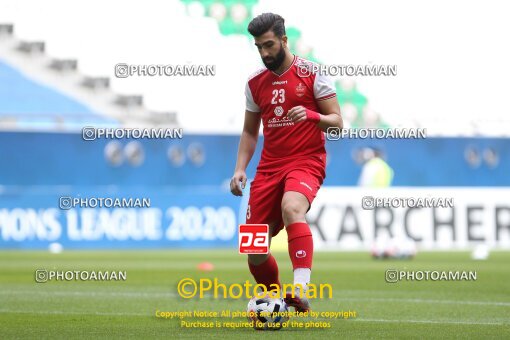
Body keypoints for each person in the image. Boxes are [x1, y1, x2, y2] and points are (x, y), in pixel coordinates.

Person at [229, 13, 342, 312]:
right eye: (259, 47)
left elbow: (338, 123)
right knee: (253, 248)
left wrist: (312, 115)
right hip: (268, 168)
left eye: (269, 45)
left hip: (306, 160)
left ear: (284, 40)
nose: (265, 53)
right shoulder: (254, 84)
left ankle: (301, 289)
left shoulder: (312, 73)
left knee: (292, 207)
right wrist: (240, 168)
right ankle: (276, 298)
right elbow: (250, 131)